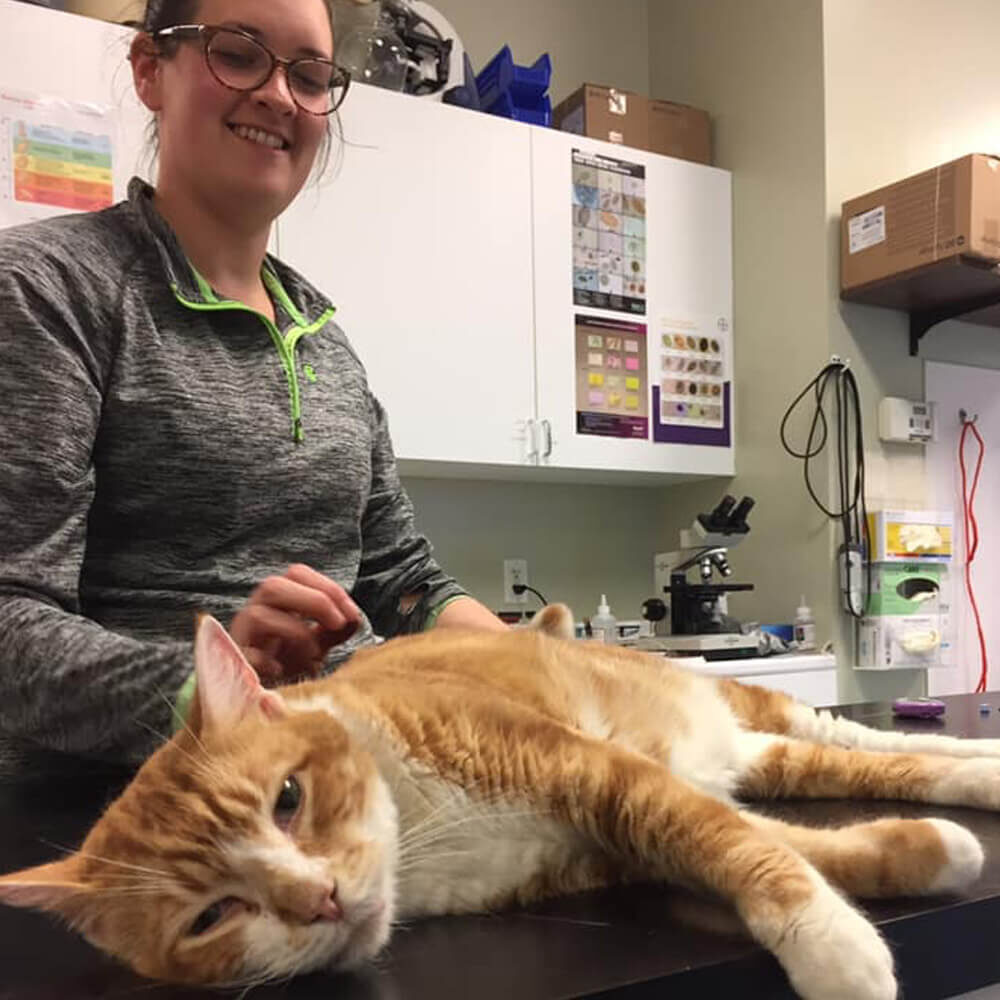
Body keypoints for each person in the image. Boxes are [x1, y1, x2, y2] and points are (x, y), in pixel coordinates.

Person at [0, 0, 505, 762]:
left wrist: (548, 669)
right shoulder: (47, 290)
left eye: (309, 75)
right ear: (149, 70)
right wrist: (214, 686)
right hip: (157, 816)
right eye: (237, 53)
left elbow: (403, 582)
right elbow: (10, 614)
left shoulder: (326, 343)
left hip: (357, 778)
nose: (277, 95)